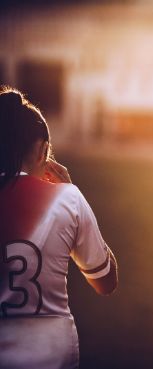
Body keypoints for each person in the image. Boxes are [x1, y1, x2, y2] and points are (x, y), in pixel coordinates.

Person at [0, 87, 118, 369]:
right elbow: (105, 281)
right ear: (42, 151)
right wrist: (68, 189)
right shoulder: (67, 197)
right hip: (50, 351)